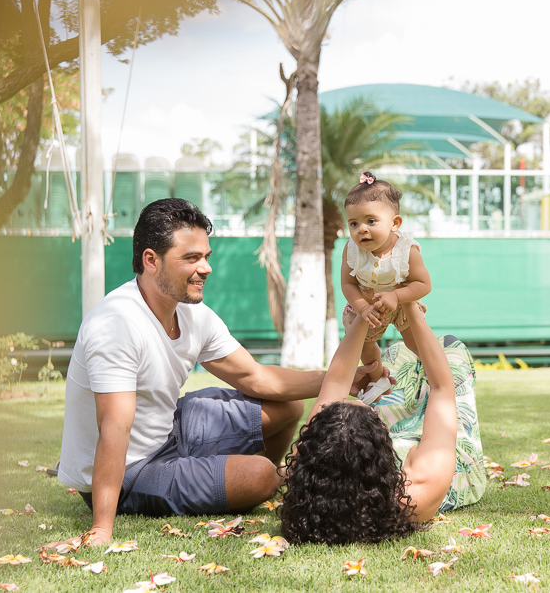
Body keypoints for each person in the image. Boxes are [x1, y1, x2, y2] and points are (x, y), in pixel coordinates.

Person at [47, 199, 384, 549]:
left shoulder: (192, 312)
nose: (205, 268)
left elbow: (255, 377)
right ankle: (249, 480)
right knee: (262, 475)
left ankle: (224, 477)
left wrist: (346, 378)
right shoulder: (116, 324)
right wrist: (101, 529)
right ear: (151, 260)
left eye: (206, 256)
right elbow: (114, 428)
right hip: (131, 469)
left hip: (169, 428)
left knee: (288, 408)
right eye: (191, 258)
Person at [279, 301, 486, 545]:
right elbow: (442, 387)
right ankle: (408, 340)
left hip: (389, 448)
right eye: (372, 413)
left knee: (397, 357)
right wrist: (410, 308)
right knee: (450, 348)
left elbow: (335, 386)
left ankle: (382, 347)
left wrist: (361, 319)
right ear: (380, 447)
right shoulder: (417, 491)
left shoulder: (305, 464)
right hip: (452, 461)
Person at [340, 172, 430, 374]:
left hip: (402, 304)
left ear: (394, 223)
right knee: (362, 344)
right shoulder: (351, 250)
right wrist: (362, 307)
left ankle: (431, 373)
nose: (361, 229)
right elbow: (348, 283)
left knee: (416, 341)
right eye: (354, 223)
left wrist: (397, 296)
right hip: (366, 305)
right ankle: (377, 378)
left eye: (371, 221)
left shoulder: (407, 250)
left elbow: (423, 284)